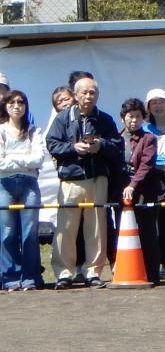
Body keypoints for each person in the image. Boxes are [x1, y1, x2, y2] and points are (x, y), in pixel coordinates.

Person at [46, 75, 121, 288]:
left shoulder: (105, 119)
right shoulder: (63, 118)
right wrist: (73, 148)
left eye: (93, 92)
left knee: (96, 227)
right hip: (71, 180)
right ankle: (64, 273)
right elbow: (51, 144)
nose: (89, 96)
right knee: (66, 228)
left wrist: (101, 145)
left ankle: (93, 272)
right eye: (85, 92)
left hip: (97, 178)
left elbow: (117, 147)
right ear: (76, 95)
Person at [0, 90, 46, 290]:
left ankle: (30, 278)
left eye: (21, 102)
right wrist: (25, 160)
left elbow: (39, 159)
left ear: (26, 106)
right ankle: (10, 278)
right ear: (6, 106)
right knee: (7, 233)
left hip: (29, 183)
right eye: (12, 102)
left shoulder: (34, 131)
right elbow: (0, 163)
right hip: (4, 184)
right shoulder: (0, 131)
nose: (17, 106)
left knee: (30, 233)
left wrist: (13, 158)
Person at [117, 97, 165, 284]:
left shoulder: (149, 139)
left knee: (147, 232)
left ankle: (152, 273)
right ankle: (126, 270)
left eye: (138, 116)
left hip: (144, 190)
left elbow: (146, 165)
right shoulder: (117, 138)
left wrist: (132, 185)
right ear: (123, 118)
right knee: (123, 231)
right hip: (122, 189)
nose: (134, 120)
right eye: (130, 116)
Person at [144, 89, 165, 278]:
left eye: (161, 102)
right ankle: (159, 262)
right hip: (152, 178)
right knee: (156, 222)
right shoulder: (146, 129)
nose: (158, 106)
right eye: (153, 103)